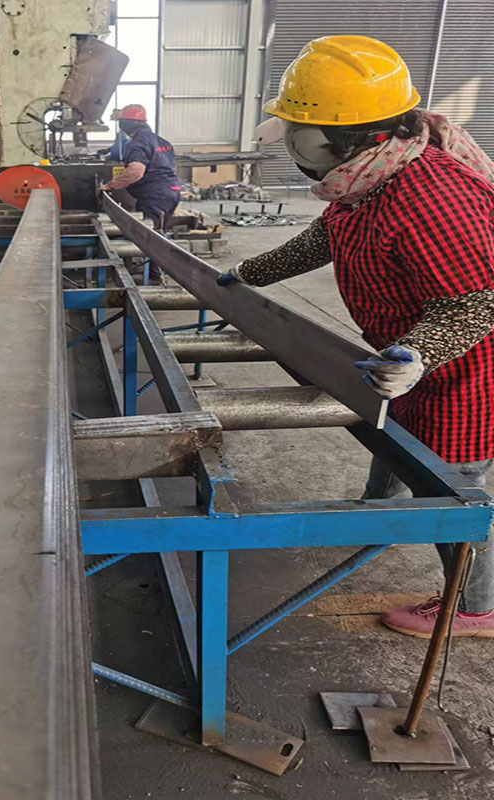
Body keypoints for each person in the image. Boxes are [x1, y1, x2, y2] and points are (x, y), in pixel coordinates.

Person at [217, 35, 494, 639]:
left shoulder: (435, 199)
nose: (296, 149)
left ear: (360, 137)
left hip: (468, 372)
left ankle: (476, 608)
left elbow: (476, 301)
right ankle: (381, 516)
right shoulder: (366, 179)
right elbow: (324, 239)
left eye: (304, 136)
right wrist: (247, 274)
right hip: (402, 352)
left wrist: (420, 354)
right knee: (390, 435)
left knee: (456, 490)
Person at [101, 104, 181, 285]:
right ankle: (158, 272)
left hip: (155, 195)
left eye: (122, 122)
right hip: (172, 191)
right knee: (159, 232)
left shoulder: (137, 143)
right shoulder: (162, 141)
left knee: (151, 237)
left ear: (129, 124)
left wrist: (111, 186)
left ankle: (155, 277)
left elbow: (136, 170)